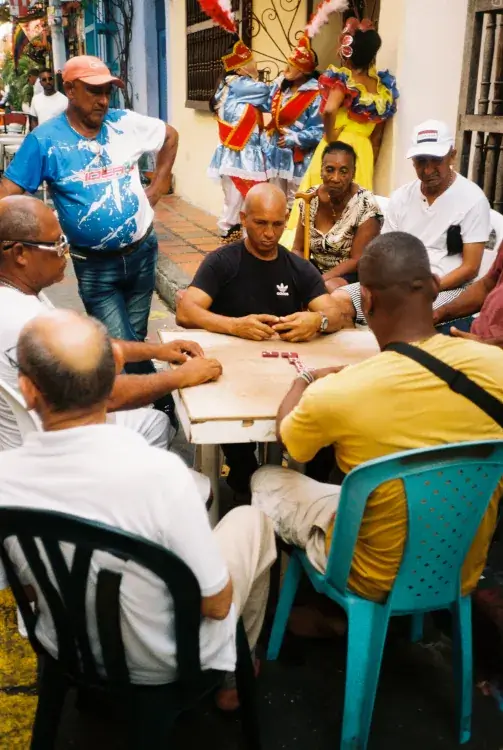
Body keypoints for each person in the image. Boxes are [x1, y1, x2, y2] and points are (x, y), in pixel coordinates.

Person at [0, 310, 276, 709]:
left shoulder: (6, 478)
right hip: (163, 660)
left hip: (66, 645)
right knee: (252, 520)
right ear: (113, 374)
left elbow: (25, 588)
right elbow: (215, 604)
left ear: (27, 391)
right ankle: (233, 676)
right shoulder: (161, 476)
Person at [252, 231, 503, 606]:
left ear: (365, 299)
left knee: (266, 478)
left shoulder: (341, 391)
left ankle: (295, 610)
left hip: (369, 574)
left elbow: (291, 445)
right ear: (436, 287)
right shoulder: (495, 366)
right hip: (460, 567)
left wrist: (304, 380)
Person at [0, 55, 179, 376]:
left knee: (134, 338)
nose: (103, 100)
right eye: (93, 91)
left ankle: (139, 402)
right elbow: (7, 194)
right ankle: (159, 408)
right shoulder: (45, 141)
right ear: (70, 89)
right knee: (120, 344)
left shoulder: (124, 123)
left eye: (107, 92)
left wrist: (160, 183)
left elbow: (170, 135)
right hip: (96, 267)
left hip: (142, 252)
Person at [0, 196, 222, 451]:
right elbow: (104, 394)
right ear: (20, 253)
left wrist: (157, 350)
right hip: (58, 447)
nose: (66, 251)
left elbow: (91, 348)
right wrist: (180, 378)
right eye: (58, 243)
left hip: (31, 439)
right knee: (156, 422)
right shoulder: (28, 320)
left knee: (152, 419)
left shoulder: (18, 300)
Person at [177, 183, 355, 494]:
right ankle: (244, 477)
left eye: (276, 224)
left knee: (320, 425)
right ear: (243, 218)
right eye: (260, 223)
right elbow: (186, 311)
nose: (269, 233)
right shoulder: (223, 262)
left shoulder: (297, 267)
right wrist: (233, 326)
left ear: (286, 221)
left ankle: (300, 488)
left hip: (281, 374)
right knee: (234, 441)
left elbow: (338, 314)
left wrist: (318, 320)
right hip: (229, 374)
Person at [334, 120, 491, 327]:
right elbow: (387, 250)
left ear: (452, 155)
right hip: (398, 285)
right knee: (337, 300)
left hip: (448, 288)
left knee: (406, 313)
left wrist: (425, 287)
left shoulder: (473, 199)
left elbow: (470, 268)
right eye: (420, 161)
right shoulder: (402, 197)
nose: (427, 170)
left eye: (436, 160)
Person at [281, 16, 398, 249]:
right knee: (353, 203)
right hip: (362, 152)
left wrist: (330, 134)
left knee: (317, 198)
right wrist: (370, 158)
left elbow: (330, 109)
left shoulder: (344, 80)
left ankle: (305, 246)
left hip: (336, 146)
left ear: (348, 52)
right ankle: (344, 247)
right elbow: (378, 135)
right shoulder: (383, 89)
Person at [292, 141, 382, 290]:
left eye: (343, 171)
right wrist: (301, 273)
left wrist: (318, 281)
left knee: (328, 288)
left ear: (353, 173)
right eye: (330, 170)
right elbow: (298, 249)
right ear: (321, 171)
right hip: (315, 270)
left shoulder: (366, 204)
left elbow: (357, 260)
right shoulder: (309, 199)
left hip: (353, 275)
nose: (335, 178)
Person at [208, 33, 270, 243]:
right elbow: (266, 92)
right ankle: (229, 250)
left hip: (242, 153)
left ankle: (242, 248)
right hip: (239, 154)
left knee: (243, 204)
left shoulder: (235, 85)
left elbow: (266, 104)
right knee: (235, 205)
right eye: (251, 61)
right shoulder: (238, 84)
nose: (255, 64)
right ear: (240, 67)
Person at [433, 240, 503, 344]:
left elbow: (470, 268)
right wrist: (440, 312)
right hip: (477, 329)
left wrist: (491, 345)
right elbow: (486, 287)